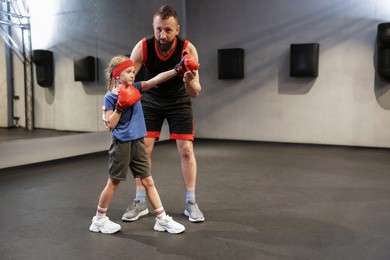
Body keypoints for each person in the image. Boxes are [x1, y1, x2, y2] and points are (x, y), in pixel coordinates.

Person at [122, 5, 204, 223]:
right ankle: (140, 201)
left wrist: (189, 81)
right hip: (151, 100)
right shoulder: (143, 47)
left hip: (179, 99)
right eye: (159, 29)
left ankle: (190, 202)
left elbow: (195, 92)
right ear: (153, 27)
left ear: (177, 29)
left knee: (186, 150)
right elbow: (127, 79)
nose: (162, 35)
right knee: (143, 150)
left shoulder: (188, 49)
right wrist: (119, 102)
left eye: (168, 30)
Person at [90, 55, 187, 234]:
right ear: (116, 75)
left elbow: (154, 80)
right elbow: (110, 125)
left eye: (133, 71)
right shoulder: (110, 97)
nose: (133, 74)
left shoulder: (135, 88)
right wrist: (120, 106)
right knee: (113, 182)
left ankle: (161, 219)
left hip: (138, 141)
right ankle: (99, 219)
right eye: (128, 72)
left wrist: (177, 70)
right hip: (121, 143)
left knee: (148, 180)